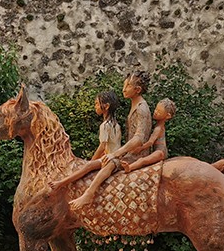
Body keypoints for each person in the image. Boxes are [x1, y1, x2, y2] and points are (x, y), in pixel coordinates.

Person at [69, 69, 152, 211]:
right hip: (129, 152)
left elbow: (139, 139)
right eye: (124, 85)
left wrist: (116, 154)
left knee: (110, 162)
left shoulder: (141, 108)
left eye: (127, 86)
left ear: (137, 90)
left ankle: (88, 194)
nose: (123, 89)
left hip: (136, 155)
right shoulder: (135, 105)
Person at [49, 89, 122, 192]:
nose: (95, 106)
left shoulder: (105, 126)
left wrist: (91, 161)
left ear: (106, 106)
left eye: (97, 104)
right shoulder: (116, 125)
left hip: (110, 160)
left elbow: (102, 146)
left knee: (87, 166)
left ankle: (61, 183)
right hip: (116, 158)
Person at [122, 98, 175, 173]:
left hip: (159, 152)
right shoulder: (158, 126)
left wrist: (140, 148)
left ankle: (130, 168)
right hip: (159, 151)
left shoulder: (158, 128)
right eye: (156, 109)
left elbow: (150, 142)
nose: (155, 112)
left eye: (159, 112)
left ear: (168, 116)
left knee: (142, 160)